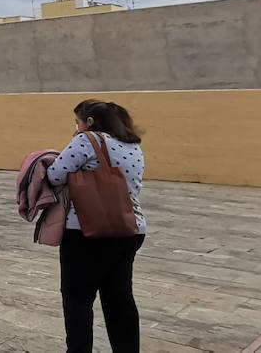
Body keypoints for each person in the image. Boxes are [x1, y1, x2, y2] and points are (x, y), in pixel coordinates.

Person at [46, 100, 148, 352]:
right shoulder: (133, 144)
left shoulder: (86, 140)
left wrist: (75, 141)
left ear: (89, 121)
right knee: (119, 298)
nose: (76, 126)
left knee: (78, 299)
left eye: (78, 121)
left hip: (86, 231)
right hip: (128, 229)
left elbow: (55, 174)